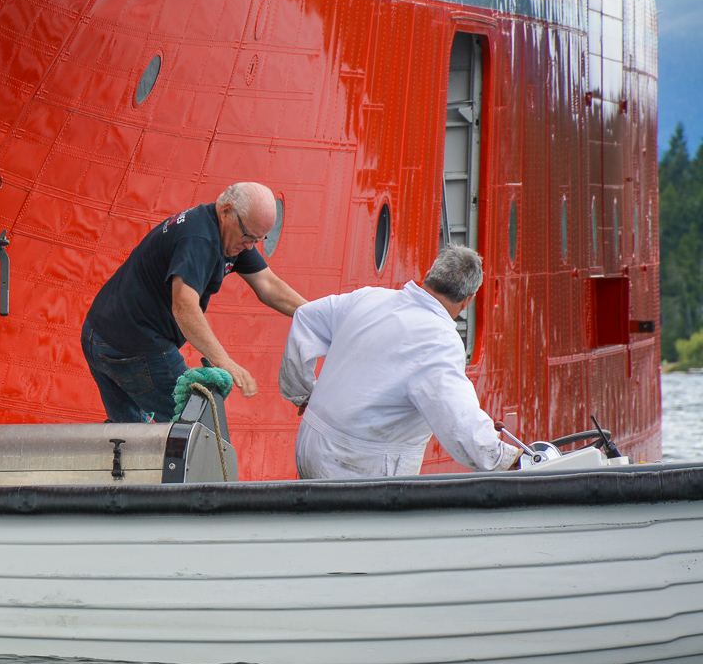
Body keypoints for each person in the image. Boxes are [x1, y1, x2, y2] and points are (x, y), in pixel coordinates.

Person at [278, 244, 520, 478]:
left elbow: (305, 318)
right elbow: (460, 421)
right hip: (357, 464)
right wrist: (503, 458)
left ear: (429, 275)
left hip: (311, 442)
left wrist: (304, 394)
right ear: (468, 300)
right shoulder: (440, 341)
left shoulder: (368, 298)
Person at [83, 182, 307, 421]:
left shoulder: (231, 234)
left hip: (98, 334)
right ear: (226, 211)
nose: (250, 246)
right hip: (135, 345)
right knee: (198, 425)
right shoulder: (199, 238)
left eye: (258, 239)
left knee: (126, 437)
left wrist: (319, 315)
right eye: (248, 236)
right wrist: (224, 361)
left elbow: (269, 286)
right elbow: (184, 306)